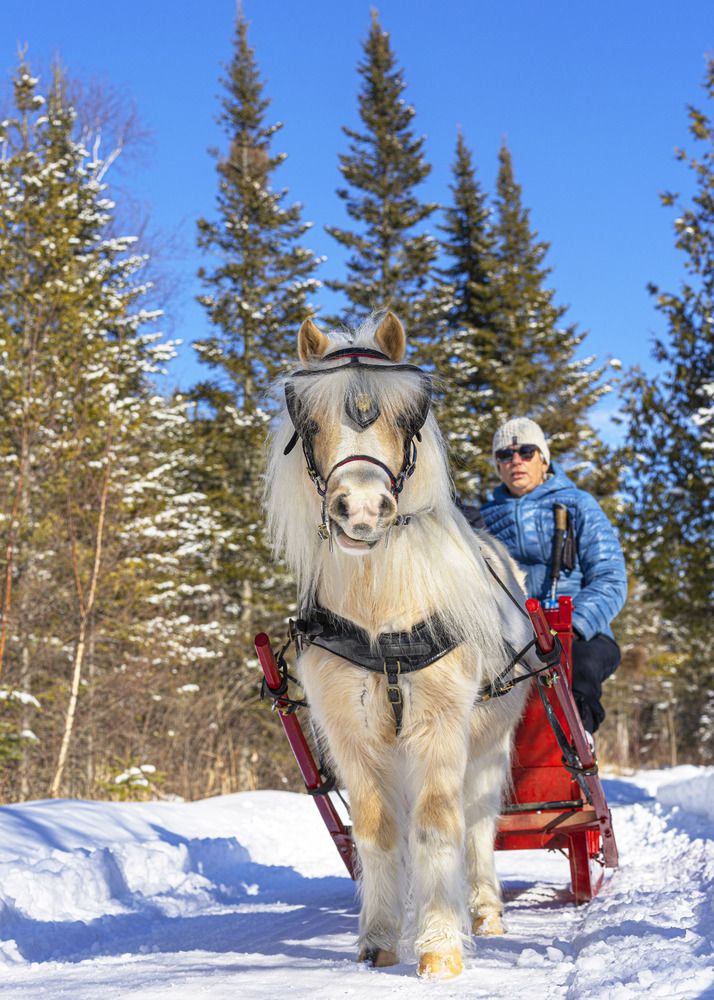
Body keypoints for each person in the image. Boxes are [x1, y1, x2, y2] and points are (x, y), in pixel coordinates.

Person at [480, 417, 627, 738]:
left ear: (543, 458)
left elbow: (611, 578)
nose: (515, 461)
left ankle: (577, 744)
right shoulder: (483, 521)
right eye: (505, 455)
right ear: (498, 465)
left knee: (579, 671)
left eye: (526, 452)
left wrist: (572, 625)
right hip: (510, 638)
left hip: (580, 631)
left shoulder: (578, 505)